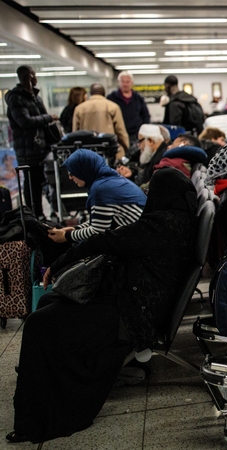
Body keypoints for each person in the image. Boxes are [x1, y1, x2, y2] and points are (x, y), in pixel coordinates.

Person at [8, 168, 196, 444]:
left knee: (40, 323)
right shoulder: (179, 221)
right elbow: (116, 240)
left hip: (131, 314)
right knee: (51, 303)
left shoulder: (161, 225)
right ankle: (38, 375)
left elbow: (105, 240)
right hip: (136, 301)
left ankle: (34, 419)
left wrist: (59, 263)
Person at [47, 149, 146, 243]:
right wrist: (76, 229)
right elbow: (100, 221)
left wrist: (67, 237)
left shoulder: (101, 189)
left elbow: (98, 231)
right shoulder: (108, 180)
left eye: (72, 172)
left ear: (83, 170)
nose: (70, 177)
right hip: (142, 235)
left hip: (137, 241)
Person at [4, 65, 60, 217]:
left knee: (42, 182)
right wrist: (49, 117)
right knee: (31, 185)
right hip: (27, 150)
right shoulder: (16, 98)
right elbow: (25, 122)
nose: (35, 78)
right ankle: (34, 216)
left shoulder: (35, 97)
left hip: (41, 148)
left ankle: (43, 214)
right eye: (33, 75)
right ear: (28, 76)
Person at [73, 83, 129, 160]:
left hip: (87, 153)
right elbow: (120, 131)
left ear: (91, 93)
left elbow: (75, 133)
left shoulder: (79, 109)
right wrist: (126, 147)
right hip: (108, 151)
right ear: (104, 93)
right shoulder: (113, 107)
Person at [107, 71, 151, 148]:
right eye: (123, 81)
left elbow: (145, 115)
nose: (125, 84)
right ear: (119, 82)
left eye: (127, 82)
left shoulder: (138, 98)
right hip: (118, 135)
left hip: (136, 135)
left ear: (132, 83)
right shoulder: (111, 97)